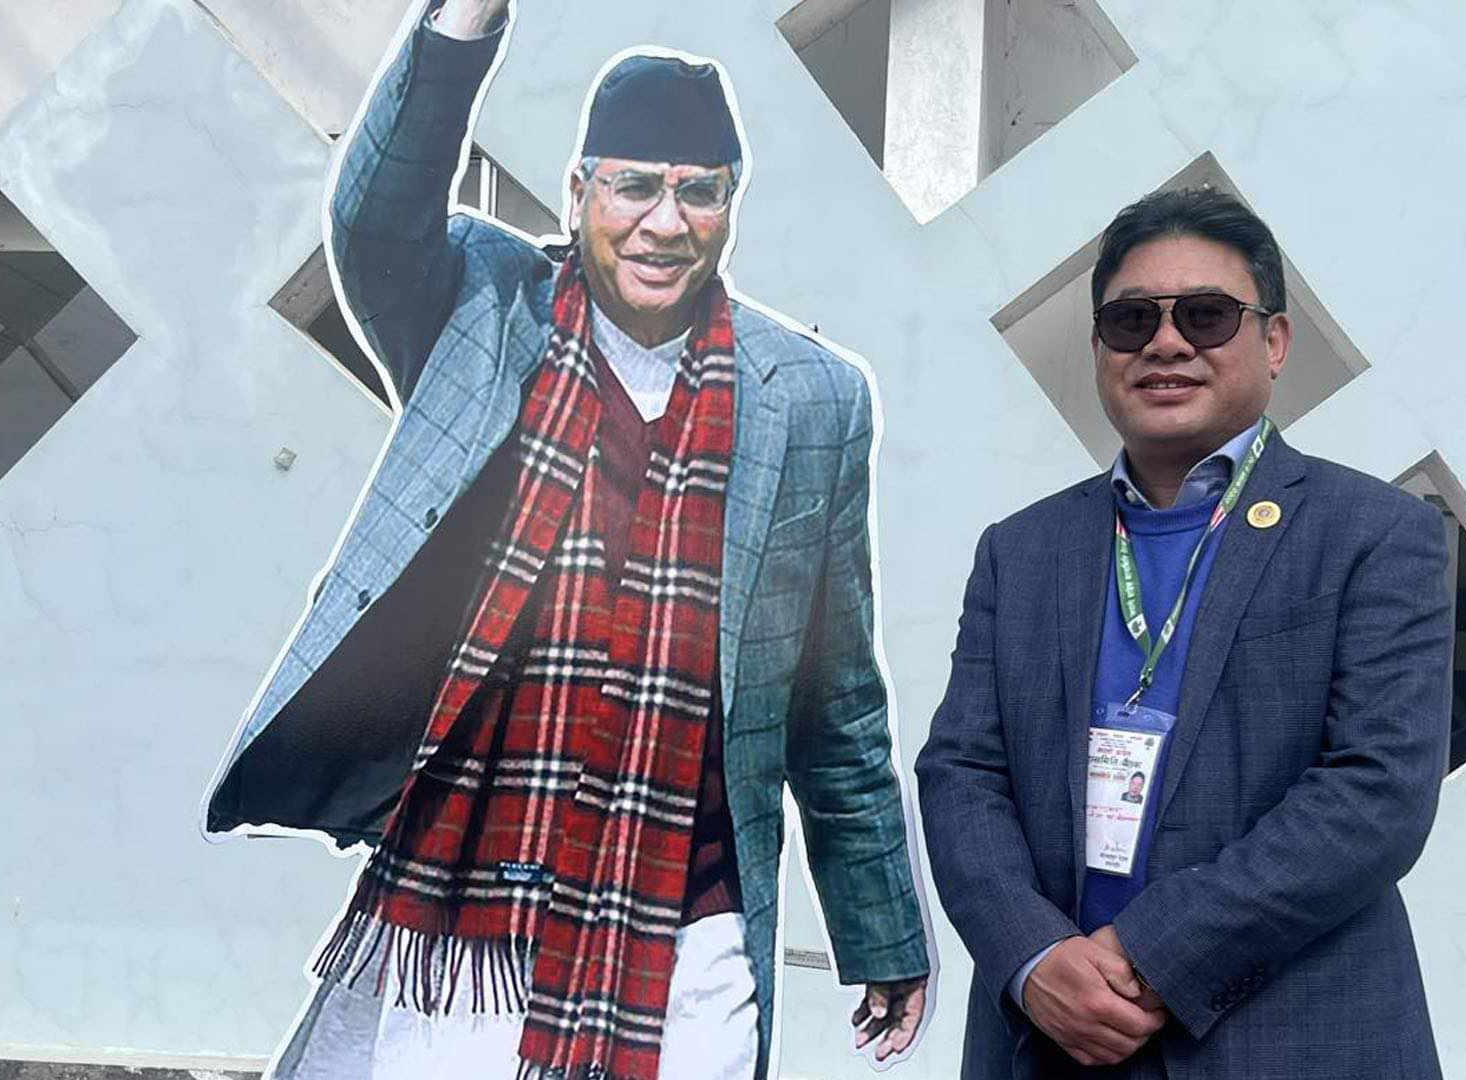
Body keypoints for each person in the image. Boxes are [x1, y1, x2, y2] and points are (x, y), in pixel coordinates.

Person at [201, 2, 929, 1077]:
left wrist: (882, 931)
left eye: (698, 192)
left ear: (731, 207)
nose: (665, 223)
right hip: (463, 910)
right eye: (634, 186)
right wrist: (464, 20)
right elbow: (374, 220)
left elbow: (837, 701)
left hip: (686, 913)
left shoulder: (814, 399)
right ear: (581, 190)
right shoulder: (484, 308)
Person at [915, 186, 1453, 1078]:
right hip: (1053, 1040)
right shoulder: (1022, 551)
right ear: (1100, 348)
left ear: (1274, 342)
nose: (1166, 343)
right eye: (1132, 320)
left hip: (1290, 1040)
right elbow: (961, 773)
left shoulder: (1375, 533)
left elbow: (1378, 793)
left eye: (1205, 315)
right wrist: (1032, 957)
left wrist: (1151, 955)